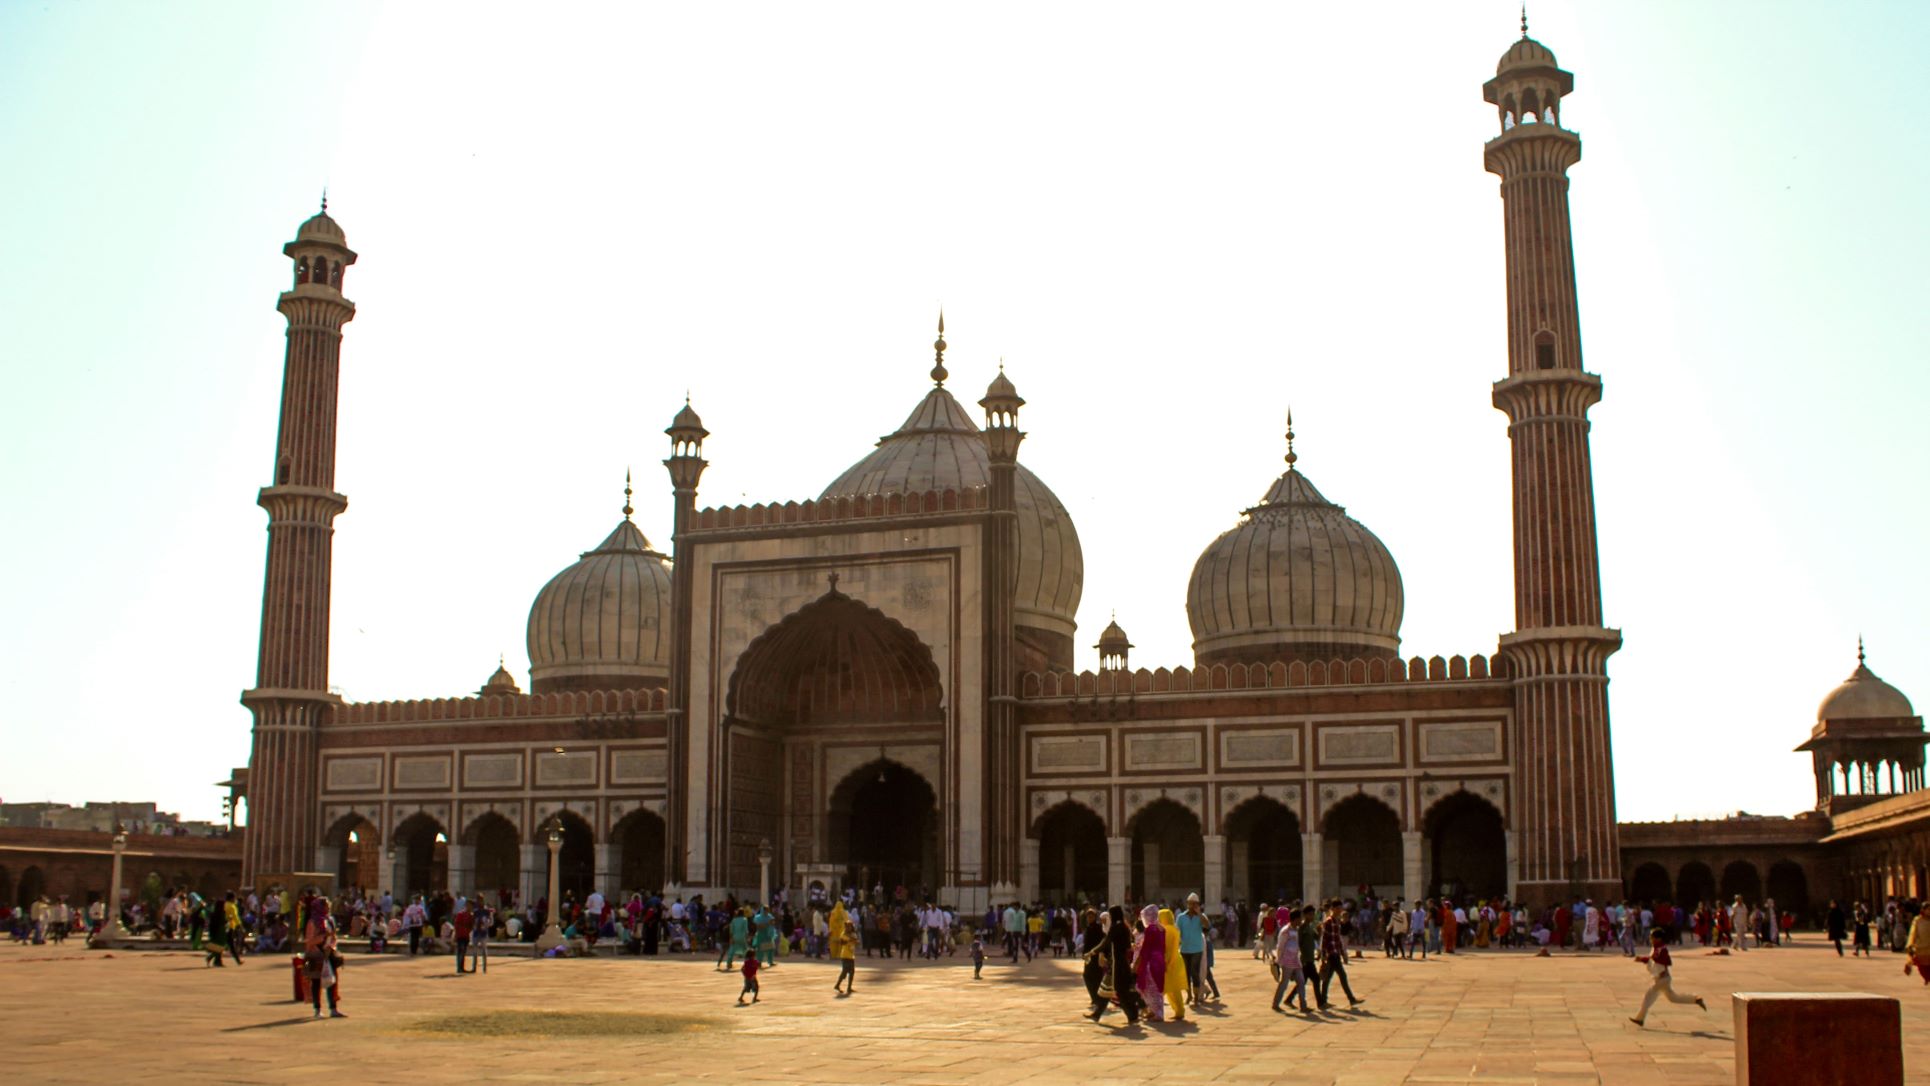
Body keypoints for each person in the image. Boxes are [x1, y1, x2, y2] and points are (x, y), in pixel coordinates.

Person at [1630, 928, 1706, 1027]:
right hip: (1663, 979)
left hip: (1662, 979)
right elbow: (1653, 960)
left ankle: (1640, 1019)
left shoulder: (1661, 949)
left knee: (1648, 997)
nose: (1650, 939)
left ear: (1659, 939)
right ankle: (1695, 999)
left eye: (1652, 937)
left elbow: (1658, 959)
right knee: (1673, 998)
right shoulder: (1658, 947)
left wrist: (1643, 959)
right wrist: (1643, 959)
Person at [1316, 901, 1363, 1010]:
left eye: (1340, 908)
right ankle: (1351, 999)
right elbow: (1324, 939)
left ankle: (1323, 1001)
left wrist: (1343, 953)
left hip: (1336, 952)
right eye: (1338, 908)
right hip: (1331, 954)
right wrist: (1322, 955)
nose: (1340, 910)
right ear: (1333, 908)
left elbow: (1338, 939)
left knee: (1328, 978)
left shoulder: (1337, 922)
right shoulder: (1328, 922)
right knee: (1341, 976)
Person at [1105, 905, 1142, 1025]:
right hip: (1124, 962)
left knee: (1120, 990)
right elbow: (1127, 946)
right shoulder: (1125, 927)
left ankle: (1133, 1014)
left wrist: (1096, 952)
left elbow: (1106, 942)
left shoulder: (1115, 928)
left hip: (1118, 963)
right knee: (1124, 990)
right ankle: (1134, 1012)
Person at [1272, 906, 1309, 1014]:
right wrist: (1279, 960)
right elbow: (1280, 946)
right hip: (1287, 960)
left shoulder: (1297, 930)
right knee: (1284, 983)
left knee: (1301, 981)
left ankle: (1303, 1005)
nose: (1301, 921)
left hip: (1296, 960)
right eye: (1300, 918)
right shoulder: (1285, 931)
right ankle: (1275, 1003)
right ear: (1295, 919)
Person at [1135, 905, 1166, 1023]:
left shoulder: (1150, 929)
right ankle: (1154, 1011)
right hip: (1160, 960)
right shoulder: (1161, 928)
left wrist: (1138, 962)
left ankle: (1158, 1013)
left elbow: (1146, 948)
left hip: (1151, 962)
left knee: (1148, 988)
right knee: (1157, 988)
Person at [1176, 893, 1207, 1006]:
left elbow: (1207, 925)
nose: (1192, 906)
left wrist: (1199, 914)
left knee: (1195, 972)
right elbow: (1177, 932)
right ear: (1187, 904)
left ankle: (1196, 998)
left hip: (1197, 949)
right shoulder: (1181, 917)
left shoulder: (1201, 916)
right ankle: (1189, 995)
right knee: (1186, 974)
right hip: (1185, 949)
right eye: (1190, 903)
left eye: (1195, 904)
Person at [1158, 907, 1188, 1021]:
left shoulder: (1166, 930)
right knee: (1174, 989)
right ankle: (1179, 1011)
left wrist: (1165, 961)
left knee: (1166, 989)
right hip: (1176, 960)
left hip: (1168, 961)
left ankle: (1157, 1011)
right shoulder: (1174, 929)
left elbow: (1167, 948)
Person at [1078, 909, 1106, 1015]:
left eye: (1091, 917)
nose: (1089, 919)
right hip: (1089, 957)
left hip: (1096, 956)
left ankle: (1097, 998)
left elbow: (1101, 942)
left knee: (1095, 977)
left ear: (1095, 917)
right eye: (1088, 917)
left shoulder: (1098, 928)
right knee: (1088, 976)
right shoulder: (1089, 928)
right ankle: (1095, 998)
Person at [830, 902, 856, 994]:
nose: (849, 928)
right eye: (848, 927)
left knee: (852, 972)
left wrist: (853, 940)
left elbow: (855, 941)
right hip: (845, 955)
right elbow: (843, 942)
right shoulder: (844, 934)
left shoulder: (852, 934)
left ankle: (849, 987)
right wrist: (850, 940)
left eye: (850, 927)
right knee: (844, 971)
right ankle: (837, 985)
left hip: (851, 955)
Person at [1905, 903, 1930, 985]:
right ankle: (1926, 978)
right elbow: (1913, 934)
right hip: (1921, 949)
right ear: (1923, 910)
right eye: (1928, 909)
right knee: (1923, 968)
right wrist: (1910, 945)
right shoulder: (1917, 920)